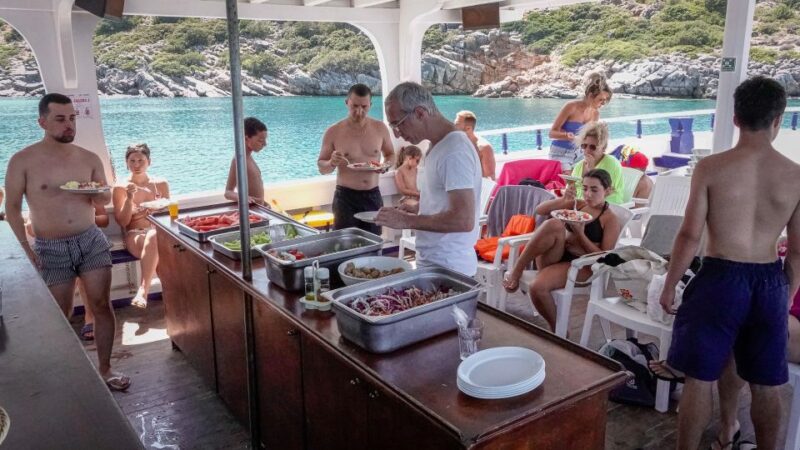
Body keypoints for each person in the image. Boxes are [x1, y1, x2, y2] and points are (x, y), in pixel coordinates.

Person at [650, 76, 800, 450]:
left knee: (699, 378)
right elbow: (797, 251)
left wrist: (670, 284)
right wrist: (785, 295)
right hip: (768, 281)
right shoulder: (796, 176)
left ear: (735, 118)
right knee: (767, 383)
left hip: (719, 277)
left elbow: (688, 235)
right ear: (778, 119)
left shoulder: (711, 167)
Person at [4, 93, 130, 391]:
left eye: (72, 118)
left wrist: (95, 192)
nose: (68, 125)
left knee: (100, 305)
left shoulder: (88, 158)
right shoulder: (23, 160)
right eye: (60, 119)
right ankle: (67, 374)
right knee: (61, 316)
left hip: (89, 240)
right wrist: (26, 249)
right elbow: (11, 208)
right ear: (42, 122)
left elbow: (104, 198)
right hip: (51, 246)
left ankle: (105, 368)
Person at [375, 82, 482, 276]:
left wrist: (407, 221)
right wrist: (420, 208)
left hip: (449, 268)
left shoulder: (454, 151)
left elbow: (463, 220)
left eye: (398, 124)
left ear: (420, 113)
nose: (396, 133)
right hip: (435, 263)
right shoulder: (437, 146)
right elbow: (447, 205)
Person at [502, 169, 621, 332]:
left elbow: (604, 257)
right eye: (585, 188)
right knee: (554, 224)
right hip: (558, 255)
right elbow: (540, 210)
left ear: (607, 191)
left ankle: (558, 331)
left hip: (582, 266)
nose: (588, 194)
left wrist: (580, 234)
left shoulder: (610, 219)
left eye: (594, 190)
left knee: (537, 288)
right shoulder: (580, 205)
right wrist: (564, 199)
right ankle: (518, 268)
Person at [318, 83, 395, 235]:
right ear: (347, 102)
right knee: (345, 244)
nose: (359, 112)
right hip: (345, 197)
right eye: (354, 106)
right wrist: (332, 162)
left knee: (373, 242)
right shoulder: (333, 131)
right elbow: (322, 167)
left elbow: (391, 154)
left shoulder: (380, 128)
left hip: (372, 195)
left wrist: (385, 165)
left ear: (370, 105)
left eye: (364, 107)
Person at [113, 143, 170, 309]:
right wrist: (130, 198)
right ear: (126, 163)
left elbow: (169, 213)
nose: (136, 165)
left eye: (141, 160)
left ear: (149, 161)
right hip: (135, 235)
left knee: (155, 238)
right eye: (132, 161)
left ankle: (166, 303)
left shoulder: (161, 184)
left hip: (159, 233)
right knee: (153, 237)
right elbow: (122, 222)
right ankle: (144, 290)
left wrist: (156, 208)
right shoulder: (121, 187)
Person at [549, 72, 612, 172]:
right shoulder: (571, 107)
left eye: (605, 100)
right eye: (601, 100)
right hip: (561, 153)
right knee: (570, 183)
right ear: (591, 96)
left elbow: (590, 138)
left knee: (589, 178)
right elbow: (552, 133)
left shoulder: (595, 114)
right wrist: (567, 136)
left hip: (581, 153)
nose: (603, 103)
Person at [569, 121, 625, 205]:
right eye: (584, 146)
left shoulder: (612, 163)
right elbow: (575, 191)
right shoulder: (579, 166)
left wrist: (592, 171)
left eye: (592, 147)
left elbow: (603, 194)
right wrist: (570, 191)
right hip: (582, 206)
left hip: (607, 206)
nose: (587, 150)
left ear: (603, 148)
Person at [79, 204, 109, 341]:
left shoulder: (86, 189)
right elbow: (31, 229)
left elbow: (104, 220)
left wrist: (85, 218)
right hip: (54, 242)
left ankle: (89, 316)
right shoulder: (47, 194)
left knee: (84, 269)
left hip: (88, 240)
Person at [225, 117, 267, 205]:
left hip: (259, 208)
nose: (265, 144)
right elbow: (228, 192)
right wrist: (242, 197)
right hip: (250, 211)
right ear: (247, 139)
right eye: (261, 141)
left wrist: (264, 203)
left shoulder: (249, 158)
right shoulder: (239, 160)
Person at [454, 110, 496, 180]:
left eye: (457, 124)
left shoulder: (484, 148)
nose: (454, 126)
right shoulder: (456, 143)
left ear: (468, 128)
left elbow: (490, 178)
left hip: (476, 188)